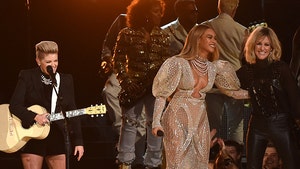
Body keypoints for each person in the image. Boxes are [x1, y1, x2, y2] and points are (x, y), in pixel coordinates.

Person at [152, 24, 248, 169]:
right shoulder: (178, 63)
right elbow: (161, 94)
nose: (214, 41)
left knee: (200, 163)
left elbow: (233, 92)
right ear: (197, 39)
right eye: (209, 37)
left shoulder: (213, 67)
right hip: (177, 116)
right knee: (178, 163)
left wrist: (256, 93)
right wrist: (156, 122)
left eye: (215, 38)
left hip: (200, 120)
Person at [112, 0, 170, 168]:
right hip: (133, 87)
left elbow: (166, 63)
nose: (160, 15)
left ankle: (153, 163)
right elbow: (118, 61)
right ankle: (125, 162)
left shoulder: (164, 35)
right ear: (144, 12)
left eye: (160, 11)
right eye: (155, 11)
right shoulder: (126, 34)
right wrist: (127, 82)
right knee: (129, 124)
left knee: (155, 124)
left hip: (155, 87)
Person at [9, 41, 84, 169]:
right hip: (32, 134)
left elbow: (72, 109)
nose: (53, 65)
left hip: (57, 134)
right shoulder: (27, 76)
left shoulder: (66, 80)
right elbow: (14, 105)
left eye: (56, 61)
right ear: (38, 61)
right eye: (48, 62)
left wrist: (78, 141)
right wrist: (35, 116)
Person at [236, 26, 300, 169]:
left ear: (272, 48)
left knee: (292, 165)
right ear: (253, 46)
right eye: (259, 44)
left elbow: (295, 101)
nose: (262, 48)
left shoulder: (281, 69)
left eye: (267, 44)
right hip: (257, 125)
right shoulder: (247, 71)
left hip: (281, 125)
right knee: (252, 166)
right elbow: (225, 82)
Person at [99, 14, 147, 169]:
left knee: (141, 117)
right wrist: (107, 58)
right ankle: (123, 137)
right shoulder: (122, 19)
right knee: (109, 91)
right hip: (121, 69)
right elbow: (108, 43)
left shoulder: (152, 25)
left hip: (143, 73)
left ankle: (136, 158)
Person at [201, 0, 247, 145]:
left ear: (219, 6)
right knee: (236, 127)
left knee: (213, 125)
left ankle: (213, 159)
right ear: (236, 8)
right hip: (235, 80)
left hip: (212, 81)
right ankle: (234, 158)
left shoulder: (206, 26)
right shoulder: (242, 30)